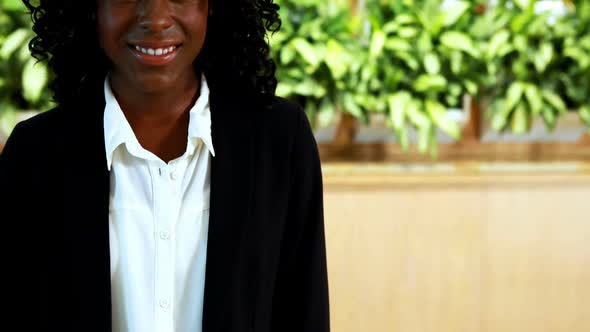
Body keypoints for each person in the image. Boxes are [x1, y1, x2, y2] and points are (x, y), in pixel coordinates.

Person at [0, 0, 330, 331]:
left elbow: (304, 312)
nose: (156, 18)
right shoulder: (34, 155)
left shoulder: (280, 141)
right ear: (90, 7)